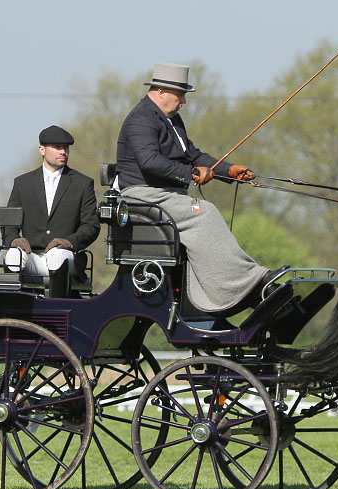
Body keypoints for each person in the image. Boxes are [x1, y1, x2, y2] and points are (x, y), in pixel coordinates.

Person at [115, 62, 282, 312]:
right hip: (141, 195)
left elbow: (192, 155)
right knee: (203, 213)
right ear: (161, 92)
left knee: (202, 211)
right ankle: (243, 285)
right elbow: (150, 162)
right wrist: (192, 174)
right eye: (180, 94)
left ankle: (228, 286)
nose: (183, 101)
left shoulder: (172, 119)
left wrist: (228, 170)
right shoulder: (141, 120)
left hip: (167, 195)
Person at [2, 125, 100, 297]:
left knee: (56, 256)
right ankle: (15, 311)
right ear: (42, 150)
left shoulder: (82, 184)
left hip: (66, 258)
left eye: (66, 148)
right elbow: (9, 222)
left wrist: (70, 242)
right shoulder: (22, 183)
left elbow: (91, 226)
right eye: (57, 147)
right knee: (12, 256)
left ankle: (56, 310)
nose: (63, 152)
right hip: (32, 256)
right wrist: (14, 240)